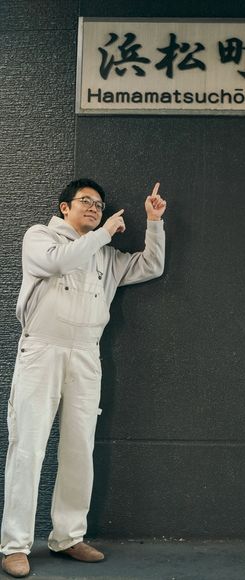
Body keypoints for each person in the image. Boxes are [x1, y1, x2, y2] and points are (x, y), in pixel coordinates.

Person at [1, 179, 167, 578]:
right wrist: (105, 232)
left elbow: (151, 265)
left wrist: (153, 221)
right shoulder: (40, 238)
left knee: (79, 447)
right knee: (28, 449)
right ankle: (15, 546)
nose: (94, 208)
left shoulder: (106, 255)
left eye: (99, 204)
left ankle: (68, 537)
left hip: (86, 355)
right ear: (64, 208)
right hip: (42, 350)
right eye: (86, 202)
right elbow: (60, 263)